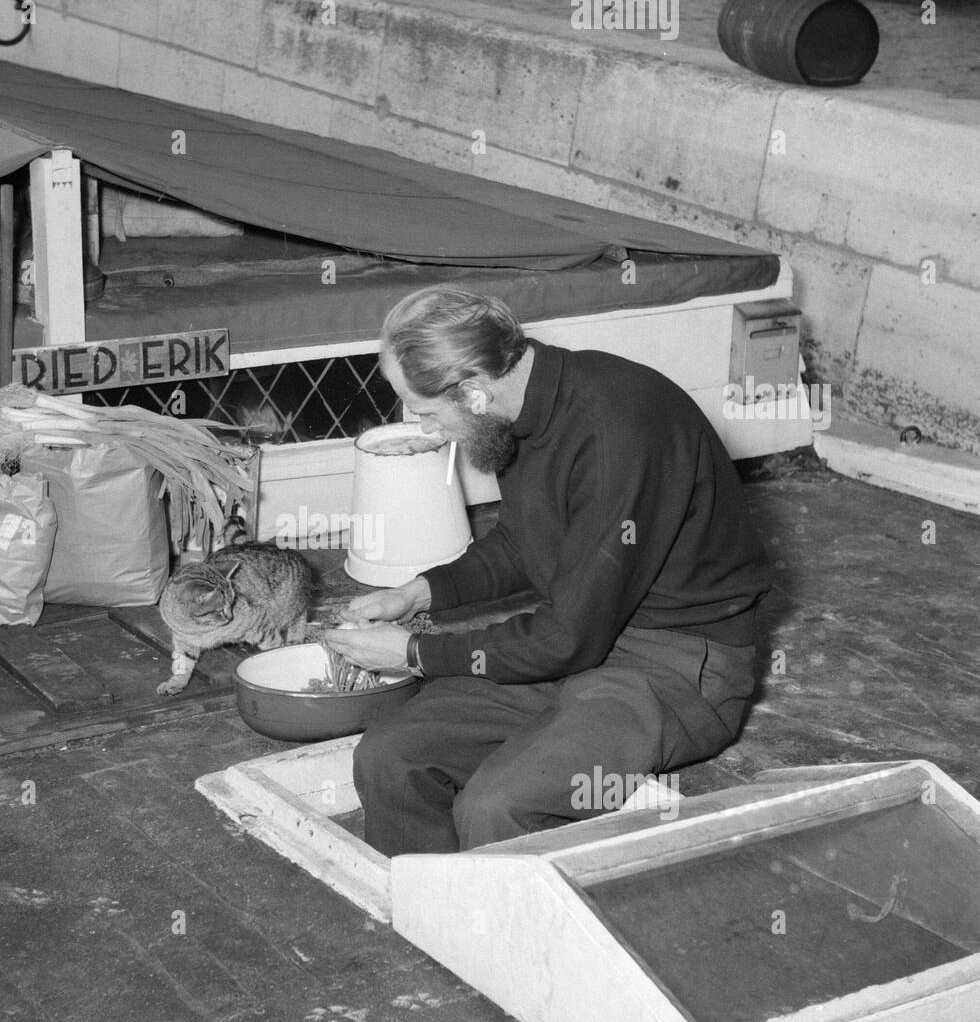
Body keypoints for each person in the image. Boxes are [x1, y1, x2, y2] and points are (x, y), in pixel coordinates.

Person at [324, 286, 770, 856]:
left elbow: (565, 639)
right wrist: (420, 593)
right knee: (391, 758)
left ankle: (498, 939)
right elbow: (524, 541)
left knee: (497, 806)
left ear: (476, 391)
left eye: (431, 412)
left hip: (676, 665)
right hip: (580, 634)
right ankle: (430, 918)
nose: (432, 430)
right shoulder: (524, 411)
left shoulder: (617, 431)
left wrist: (412, 654)